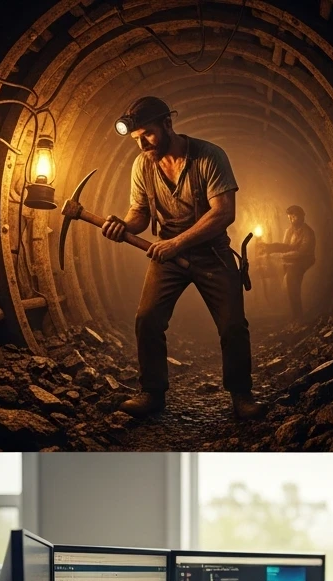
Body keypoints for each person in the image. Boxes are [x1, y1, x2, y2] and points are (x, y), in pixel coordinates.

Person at [100, 96, 264, 420]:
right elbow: (140, 214)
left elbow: (223, 213)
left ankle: (242, 396)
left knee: (232, 325)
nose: (143, 144)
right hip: (167, 256)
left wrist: (177, 243)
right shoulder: (142, 165)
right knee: (147, 318)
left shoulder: (209, 156)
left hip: (211, 252)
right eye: (136, 139)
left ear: (167, 124)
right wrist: (123, 225)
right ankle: (152, 392)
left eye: (147, 134)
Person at [260, 205, 316, 320]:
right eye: (289, 217)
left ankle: (298, 316)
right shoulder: (289, 230)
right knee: (269, 271)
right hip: (291, 259)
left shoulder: (308, 232)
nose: (291, 219)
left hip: (304, 261)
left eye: (294, 216)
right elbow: (285, 246)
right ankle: (277, 307)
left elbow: (301, 252)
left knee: (292, 280)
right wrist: (269, 248)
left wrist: (280, 256)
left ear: (301, 217)